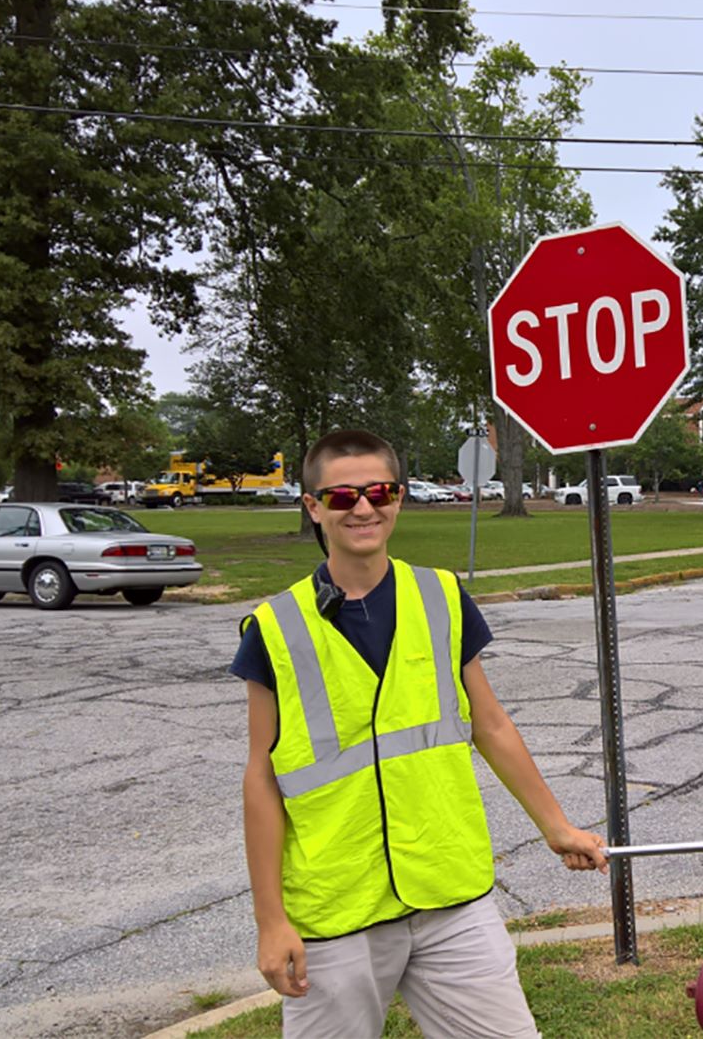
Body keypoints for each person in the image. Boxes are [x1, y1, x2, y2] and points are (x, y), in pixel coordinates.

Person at [232, 429, 607, 1038]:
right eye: (342, 496)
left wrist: (556, 826)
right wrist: (269, 920)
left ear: (399, 498)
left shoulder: (441, 596)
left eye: (379, 491)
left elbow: (490, 724)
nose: (362, 507)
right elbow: (262, 777)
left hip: (449, 895)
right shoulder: (274, 627)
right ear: (312, 507)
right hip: (338, 911)